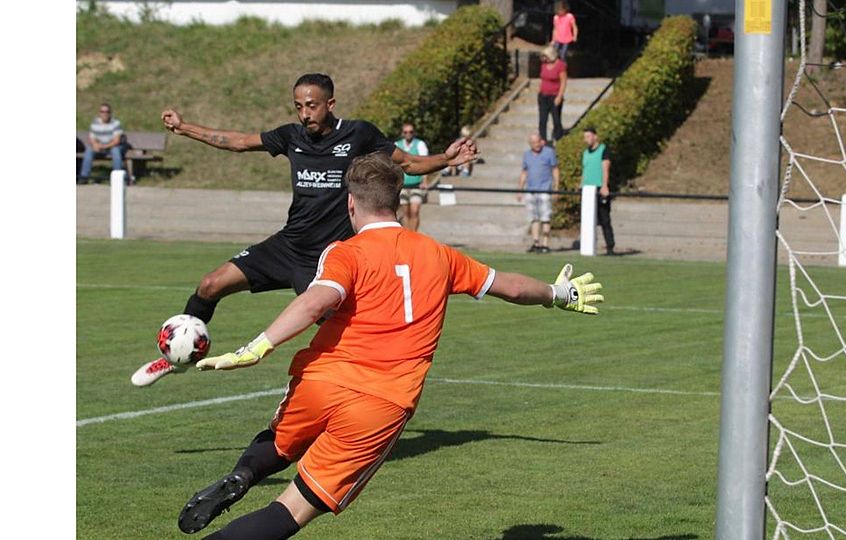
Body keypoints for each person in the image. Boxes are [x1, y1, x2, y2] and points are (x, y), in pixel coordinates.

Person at [176, 151, 604, 539]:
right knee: (291, 509)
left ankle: (242, 475)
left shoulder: (344, 251)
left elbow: (316, 301)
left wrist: (258, 347)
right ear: (397, 201)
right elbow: (509, 286)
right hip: (382, 402)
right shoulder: (440, 254)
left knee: (280, 441)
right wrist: (558, 293)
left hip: (321, 380)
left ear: (350, 203)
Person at [130, 73, 477, 387]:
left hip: (328, 259)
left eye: (311, 105)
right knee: (209, 284)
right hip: (287, 246)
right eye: (298, 106)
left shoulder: (359, 134)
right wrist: (184, 127)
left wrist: (447, 159)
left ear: (330, 104)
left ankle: (372, 384)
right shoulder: (291, 136)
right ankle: (176, 356)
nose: (304, 113)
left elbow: (409, 163)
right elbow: (237, 142)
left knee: (337, 330)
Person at [517, 133, 559, 253]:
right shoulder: (527, 155)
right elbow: (524, 172)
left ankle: (545, 244)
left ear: (541, 141)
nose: (536, 145)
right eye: (533, 143)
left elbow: (555, 169)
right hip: (531, 190)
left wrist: (556, 187)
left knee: (545, 217)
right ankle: (536, 243)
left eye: (537, 142)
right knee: (533, 218)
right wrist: (520, 189)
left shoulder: (549, 152)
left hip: (545, 189)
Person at [581, 126, 616, 255]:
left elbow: (605, 168)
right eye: (585, 137)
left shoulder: (603, 150)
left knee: (604, 218)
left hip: (599, 188)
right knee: (590, 220)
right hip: (588, 189)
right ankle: (590, 246)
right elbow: (585, 170)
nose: (586, 140)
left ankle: (610, 246)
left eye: (588, 136)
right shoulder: (585, 153)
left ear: (595, 137)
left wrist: (604, 185)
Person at [78, 103, 129, 184]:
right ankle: (84, 177)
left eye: (107, 112)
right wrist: (95, 145)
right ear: (99, 113)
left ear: (110, 113)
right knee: (89, 150)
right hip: (100, 146)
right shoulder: (94, 123)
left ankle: (118, 178)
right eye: (102, 111)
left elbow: (116, 141)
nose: (105, 114)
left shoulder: (116, 123)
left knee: (115, 151)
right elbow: (91, 138)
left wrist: (104, 146)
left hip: (113, 146)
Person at [394, 122, 429, 231]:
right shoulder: (397, 145)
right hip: (402, 185)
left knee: (414, 211)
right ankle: (408, 235)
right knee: (405, 213)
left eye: (411, 132)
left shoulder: (420, 144)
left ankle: (414, 234)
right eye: (406, 132)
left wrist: (425, 180)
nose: (408, 134)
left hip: (416, 184)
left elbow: (425, 163)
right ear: (402, 133)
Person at [537, 46, 567, 143]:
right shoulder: (543, 65)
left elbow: (563, 81)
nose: (544, 59)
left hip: (554, 95)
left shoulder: (560, 65)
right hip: (543, 96)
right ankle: (543, 140)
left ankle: (558, 138)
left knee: (556, 120)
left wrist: (559, 96)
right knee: (542, 120)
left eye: (546, 56)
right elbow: (542, 78)